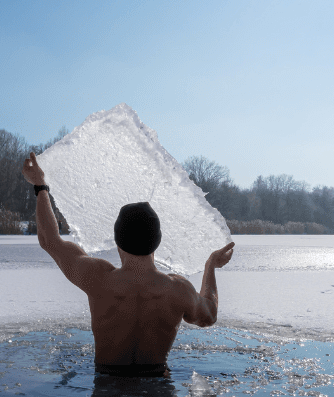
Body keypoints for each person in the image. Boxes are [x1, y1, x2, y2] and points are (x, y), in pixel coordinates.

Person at [21, 151, 235, 377]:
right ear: (157, 242)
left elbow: (50, 241)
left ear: (117, 240)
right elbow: (209, 316)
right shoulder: (178, 290)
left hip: (107, 386)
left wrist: (40, 186)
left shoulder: (98, 279)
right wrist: (211, 266)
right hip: (157, 388)